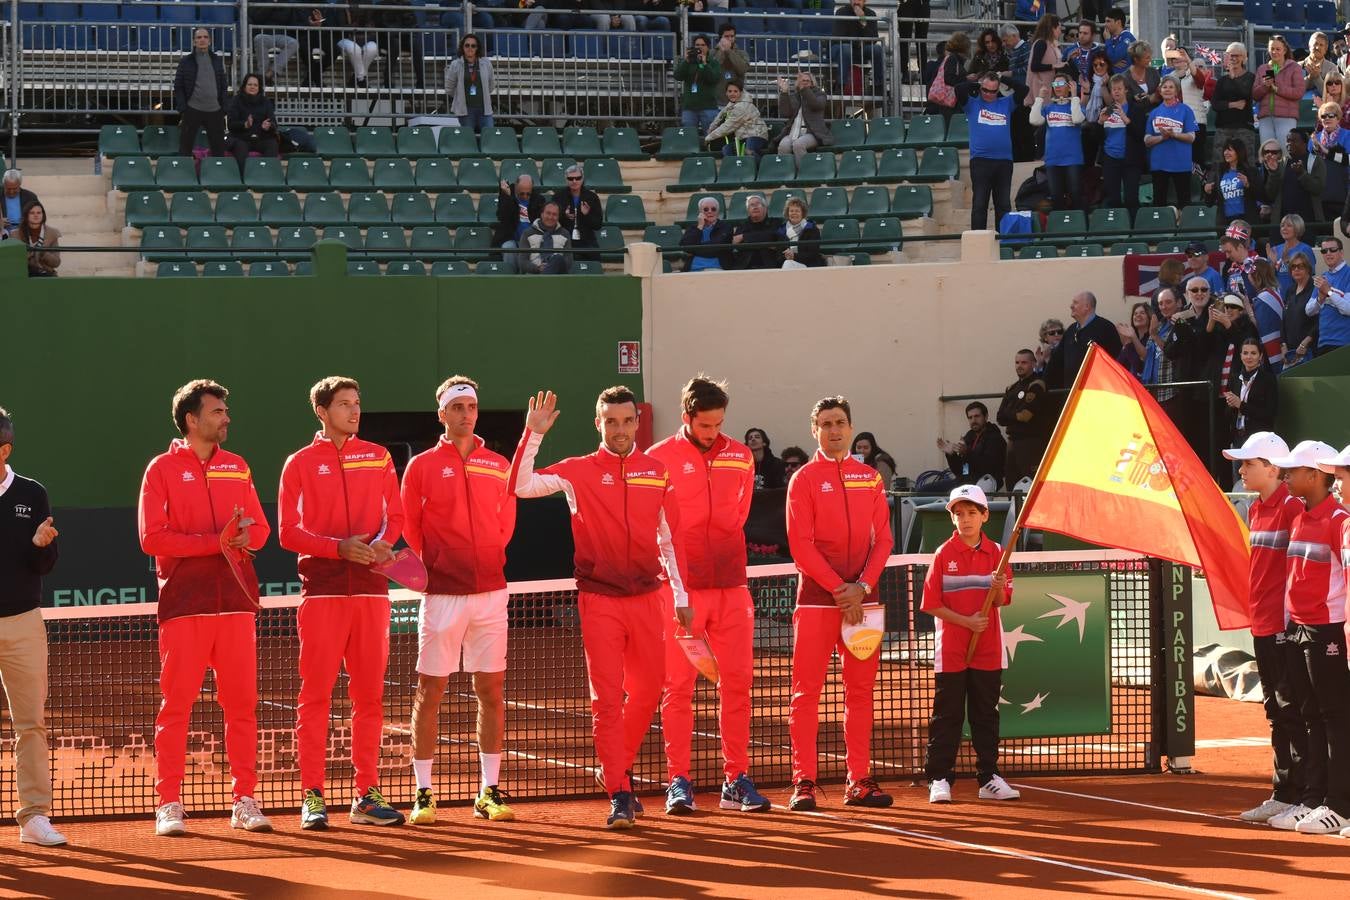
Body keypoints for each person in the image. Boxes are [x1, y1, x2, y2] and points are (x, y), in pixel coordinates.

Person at [510, 387, 689, 829]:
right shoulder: (577, 472)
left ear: (637, 423)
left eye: (627, 421)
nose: (621, 429)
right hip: (599, 601)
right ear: (598, 424)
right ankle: (620, 792)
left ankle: (616, 766)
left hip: (649, 598)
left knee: (649, 692)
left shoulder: (656, 472)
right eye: (612, 421)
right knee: (607, 700)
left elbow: (669, 540)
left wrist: (681, 597)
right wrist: (531, 436)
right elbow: (521, 486)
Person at [137, 380, 271, 837]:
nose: (226, 417)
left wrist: (242, 536)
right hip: (185, 606)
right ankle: (169, 803)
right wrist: (211, 543)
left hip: (234, 605)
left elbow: (262, 531)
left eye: (225, 410)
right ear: (192, 419)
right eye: (217, 411)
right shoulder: (160, 469)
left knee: (242, 709)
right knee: (176, 708)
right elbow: (151, 538)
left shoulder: (237, 466)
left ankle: (245, 801)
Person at [279, 376, 406, 830]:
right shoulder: (299, 463)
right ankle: (313, 795)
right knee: (315, 697)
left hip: (372, 592)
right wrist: (337, 547)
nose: (354, 411)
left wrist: (385, 543)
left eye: (357, 403)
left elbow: (398, 516)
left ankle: (366, 796)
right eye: (344, 404)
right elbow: (287, 532)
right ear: (322, 411)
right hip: (324, 591)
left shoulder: (379, 457)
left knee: (369, 698)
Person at [649, 376, 771, 816]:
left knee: (738, 685)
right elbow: (650, 525)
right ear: (687, 418)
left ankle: (736, 780)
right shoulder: (657, 458)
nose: (713, 432)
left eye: (719, 423)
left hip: (732, 587)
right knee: (677, 689)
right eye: (704, 425)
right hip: (680, 593)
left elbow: (739, 514)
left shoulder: (740, 456)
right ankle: (678, 780)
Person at [403, 376, 517, 826]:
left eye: (471, 406)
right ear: (442, 414)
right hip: (442, 594)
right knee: (430, 691)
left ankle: (488, 792)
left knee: (490, 691)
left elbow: (506, 522)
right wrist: (437, 564)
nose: (466, 414)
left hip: (491, 592)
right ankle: (424, 794)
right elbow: (410, 525)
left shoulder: (497, 463)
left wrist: (488, 556)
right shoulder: (422, 467)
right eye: (457, 407)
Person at [786, 396, 894, 812]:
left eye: (841, 423)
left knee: (861, 692)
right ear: (815, 429)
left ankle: (860, 781)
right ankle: (804, 782)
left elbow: (883, 538)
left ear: (851, 428)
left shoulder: (870, 476)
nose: (835, 430)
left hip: (864, 603)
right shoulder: (805, 479)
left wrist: (862, 587)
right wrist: (839, 588)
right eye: (827, 423)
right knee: (806, 693)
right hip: (817, 602)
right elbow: (801, 545)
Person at [1264, 440, 1350, 835]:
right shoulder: (1299, 517)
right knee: (1311, 715)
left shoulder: (1338, 520)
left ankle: (1338, 804)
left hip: (1327, 630)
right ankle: (1314, 799)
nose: (1286, 477)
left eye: (1293, 471)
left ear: (1314, 475)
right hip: (1299, 628)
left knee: (1333, 717)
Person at [1221, 433, 1307, 825]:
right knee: (1275, 710)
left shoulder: (1294, 509)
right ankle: (1282, 791)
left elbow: (1297, 575)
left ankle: (1301, 795)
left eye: (1248, 463)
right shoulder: (1255, 510)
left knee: (1292, 710)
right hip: (1261, 623)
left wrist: (1289, 623)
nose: (1241, 470)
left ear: (1273, 469)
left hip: (1285, 627)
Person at [922, 484, 1018, 805]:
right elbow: (931, 604)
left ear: (985, 516)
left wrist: (1000, 586)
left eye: (971, 513)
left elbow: (1004, 599)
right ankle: (939, 777)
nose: (965, 519)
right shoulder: (942, 554)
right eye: (959, 514)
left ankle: (988, 776)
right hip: (951, 651)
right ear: (952, 519)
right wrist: (966, 622)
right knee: (947, 715)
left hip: (988, 651)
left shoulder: (998, 555)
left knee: (985, 716)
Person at [0, 408, 66, 847]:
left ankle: (34, 818)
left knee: (31, 724)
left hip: (22, 621)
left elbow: (42, 564)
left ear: (3, 449)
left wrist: (42, 547)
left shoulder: (31, 493)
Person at [956, 71, 1028, 230]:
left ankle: (1003, 242)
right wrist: (977, 82)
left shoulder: (1006, 103)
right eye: (985, 90)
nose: (988, 94)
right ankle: (979, 242)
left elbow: (1023, 89)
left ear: (998, 90)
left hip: (1004, 161)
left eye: (993, 91)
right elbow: (959, 89)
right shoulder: (972, 104)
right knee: (980, 203)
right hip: (981, 160)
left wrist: (1002, 78)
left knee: (1003, 204)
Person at [1045, 291, 1124, 389]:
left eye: (1075, 303)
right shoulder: (1070, 330)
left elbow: (1116, 361)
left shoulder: (1106, 328)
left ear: (1087, 306)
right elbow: (1056, 362)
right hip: (1071, 393)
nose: (1071, 306)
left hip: (1096, 392)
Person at [996, 349, 1051, 488]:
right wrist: (1015, 414)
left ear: (1033, 364)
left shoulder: (1036, 385)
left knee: (1031, 484)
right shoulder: (1011, 388)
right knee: (1011, 485)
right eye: (1017, 362)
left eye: (1024, 362)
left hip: (1030, 443)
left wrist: (1009, 413)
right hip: (1013, 443)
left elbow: (1026, 415)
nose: (1019, 365)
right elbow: (1000, 418)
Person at [1030, 77, 1085, 211]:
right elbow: (1034, 120)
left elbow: (1078, 119)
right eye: (1055, 84)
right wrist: (1039, 98)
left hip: (1073, 159)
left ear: (1069, 86)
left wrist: (1074, 97)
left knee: (1076, 193)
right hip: (1053, 159)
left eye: (1061, 83)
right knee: (1056, 196)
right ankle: (1061, 226)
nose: (1057, 86)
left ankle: (1079, 226)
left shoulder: (1077, 106)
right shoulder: (1048, 108)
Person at [173, 28, 228, 159]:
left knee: (218, 150)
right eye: (198, 37)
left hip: (215, 111)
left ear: (209, 41)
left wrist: (224, 108)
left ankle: (216, 177)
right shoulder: (186, 61)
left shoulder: (217, 60)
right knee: (185, 148)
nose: (202, 40)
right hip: (192, 109)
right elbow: (178, 86)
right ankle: (184, 176)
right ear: (194, 41)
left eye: (205, 37)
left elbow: (223, 85)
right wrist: (183, 109)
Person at [1144, 76, 1197, 209]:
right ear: (1160, 91)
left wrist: (1174, 134)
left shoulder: (1186, 110)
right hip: (1159, 163)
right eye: (1164, 87)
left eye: (1171, 87)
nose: (1167, 90)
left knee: (1184, 203)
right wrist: (1162, 138)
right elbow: (1147, 140)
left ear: (1177, 91)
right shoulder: (1154, 113)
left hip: (1181, 163)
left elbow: (1191, 137)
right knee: (1159, 203)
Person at [1263, 130, 1325, 239]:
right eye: (1288, 141)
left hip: (1308, 223)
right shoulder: (1281, 163)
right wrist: (1274, 173)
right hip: (1283, 224)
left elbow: (1318, 188)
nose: (1289, 144)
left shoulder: (1316, 161)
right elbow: (1270, 194)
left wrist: (1302, 174)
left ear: (1305, 143)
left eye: (1294, 141)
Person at [1099, 74, 1145, 216]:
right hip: (1110, 159)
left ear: (1126, 90)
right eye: (1113, 89)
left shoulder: (1135, 109)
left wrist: (1125, 118)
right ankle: (1118, 230)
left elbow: (1140, 134)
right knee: (1113, 199)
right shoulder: (1106, 109)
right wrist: (1100, 123)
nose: (1116, 92)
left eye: (1119, 88)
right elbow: (1098, 138)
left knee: (1131, 198)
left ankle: (1134, 231)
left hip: (1131, 160)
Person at [1223, 339, 1278, 449]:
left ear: (1260, 356)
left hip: (1258, 440)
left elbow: (1269, 414)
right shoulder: (1235, 378)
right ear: (1240, 355)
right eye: (1245, 353)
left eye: (1253, 353)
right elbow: (1228, 413)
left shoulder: (1268, 379)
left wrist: (1240, 405)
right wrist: (1230, 405)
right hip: (1237, 438)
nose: (1249, 357)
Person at [937, 401, 1006, 488]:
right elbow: (960, 471)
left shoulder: (995, 438)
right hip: (965, 481)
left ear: (986, 416)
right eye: (970, 417)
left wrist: (967, 452)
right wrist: (951, 455)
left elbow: (988, 468)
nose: (973, 420)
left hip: (983, 483)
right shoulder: (969, 436)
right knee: (923, 490)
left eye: (977, 416)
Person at [769, 72, 834, 163]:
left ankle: (803, 172)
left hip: (813, 133)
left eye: (808, 81)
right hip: (793, 132)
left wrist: (804, 90)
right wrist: (784, 92)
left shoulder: (820, 95)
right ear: (798, 82)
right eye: (803, 80)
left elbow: (816, 105)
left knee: (798, 144)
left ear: (812, 83)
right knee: (783, 146)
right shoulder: (795, 96)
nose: (805, 82)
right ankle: (786, 173)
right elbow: (785, 113)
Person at [1253, 36, 1304, 149]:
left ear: (1284, 50)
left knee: (1286, 152)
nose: (1274, 52)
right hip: (1266, 118)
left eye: (1278, 49)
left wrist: (1277, 88)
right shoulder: (1262, 68)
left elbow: (1298, 92)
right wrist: (1265, 86)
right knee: (1267, 152)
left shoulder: (1294, 67)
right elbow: (1255, 95)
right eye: (1272, 49)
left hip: (1287, 117)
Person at [830, 0, 886, 100]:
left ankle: (878, 86)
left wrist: (863, 20)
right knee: (846, 48)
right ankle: (841, 86)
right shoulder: (841, 12)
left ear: (864, 1)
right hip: (840, 48)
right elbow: (839, 36)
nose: (856, 2)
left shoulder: (870, 14)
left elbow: (873, 38)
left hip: (860, 49)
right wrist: (858, 42)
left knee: (877, 49)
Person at [1212, 42, 1257, 166]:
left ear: (1244, 58)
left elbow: (1246, 95)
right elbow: (1215, 104)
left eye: (1237, 55)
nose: (1233, 58)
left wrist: (1233, 78)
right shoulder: (1221, 81)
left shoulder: (1251, 78)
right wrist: (1233, 104)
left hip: (1244, 128)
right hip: (1223, 128)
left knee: (1247, 164)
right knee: (1219, 164)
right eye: (1231, 55)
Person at [224, 74, 278, 177]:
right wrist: (245, 124)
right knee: (241, 147)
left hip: (261, 137)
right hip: (241, 138)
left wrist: (268, 126)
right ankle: (244, 178)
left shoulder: (266, 102)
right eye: (249, 84)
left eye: (255, 85)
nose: (252, 87)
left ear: (259, 87)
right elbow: (231, 124)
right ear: (244, 86)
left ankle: (266, 176)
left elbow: (274, 123)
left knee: (272, 144)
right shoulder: (236, 101)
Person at [1307, 236, 1350, 356]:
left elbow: (1348, 309)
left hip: (1344, 342)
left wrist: (1329, 292)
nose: (1328, 253)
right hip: (1323, 342)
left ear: (1341, 252)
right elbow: (1308, 310)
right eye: (1324, 251)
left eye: (1332, 250)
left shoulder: (1348, 274)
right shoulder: (1323, 277)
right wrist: (1320, 298)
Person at [494, 174, 546, 272]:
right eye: (522, 193)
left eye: (528, 194)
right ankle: (511, 278)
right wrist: (508, 197)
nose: (525, 196)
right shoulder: (507, 194)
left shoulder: (538, 199)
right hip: (511, 238)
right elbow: (502, 217)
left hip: (531, 240)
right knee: (508, 248)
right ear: (516, 187)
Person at [1205, 138, 1260, 230]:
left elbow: (1260, 195)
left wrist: (1248, 185)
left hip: (1246, 221)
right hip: (1225, 223)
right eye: (1225, 150)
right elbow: (1209, 203)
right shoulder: (1218, 172)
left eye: (1230, 150)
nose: (1226, 153)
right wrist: (1208, 192)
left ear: (1239, 152)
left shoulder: (1251, 171)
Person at [551, 165, 602, 261]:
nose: (574, 181)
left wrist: (587, 215)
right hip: (565, 240)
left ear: (582, 179)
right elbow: (551, 222)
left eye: (578, 178)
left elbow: (598, 225)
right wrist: (563, 216)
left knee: (594, 259)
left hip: (587, 240)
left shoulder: (592, 197)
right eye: (571, 178)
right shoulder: (558, 197)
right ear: (566, 180)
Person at [704, 82, 768, 159]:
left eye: (735, 91)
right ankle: (735, 169)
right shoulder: (732, 103)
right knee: (727, 149)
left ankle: (762, 168)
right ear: (726, 93)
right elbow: (721, 115)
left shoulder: (742, 106)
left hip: (757, 136)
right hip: (743, 138)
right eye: (730, 91)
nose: (732, 94)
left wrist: (709, 137)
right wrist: (712, 127)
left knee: (749, 151)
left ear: (741, 93)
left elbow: (728, 127)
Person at [445, 35, 495, 132]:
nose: (470, 48)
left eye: (473, 46)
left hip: (485, 110)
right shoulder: (455, 64)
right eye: (467, 45)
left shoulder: (486, 63)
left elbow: (491, 85)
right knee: (468, 140)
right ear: (462, 47)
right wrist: (459, 97)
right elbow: (449, 88)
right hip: (466, 111)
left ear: (477, 48)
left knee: (489, 138)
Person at [1310, 102, 1350, 219]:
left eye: (1331, 115)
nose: (1327, 118)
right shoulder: (1314, 139)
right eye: (1323, 116)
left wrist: (1326, 151)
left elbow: (1348, 160)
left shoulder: (1347, 135)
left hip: (1343, 190)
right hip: (1320, 193)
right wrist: (1316, 150)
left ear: (1338, 118)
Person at [1024, 15, 1065, 129]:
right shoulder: (1041, 43)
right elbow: (1035, 66)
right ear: (1052, 28)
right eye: (1059, 28)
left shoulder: (1051, 44)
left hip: (1049, 90)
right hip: (1040, 91)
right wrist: (1053, 66)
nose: (1060, 32)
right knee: (1040, 127)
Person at [675, 34, 722, 135]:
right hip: (689, 107)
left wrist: (704, 64)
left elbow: (714, 78)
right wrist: (686, 61)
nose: (699, 47)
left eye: (702, 45)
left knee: (711, 136)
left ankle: (711, 151)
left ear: (708, 47)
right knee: (688, 137)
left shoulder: (713, 63)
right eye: (697, 45)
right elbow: (678, 76)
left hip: (708, 107)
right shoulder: (688, 62)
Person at [1247, 257, 1287, 371]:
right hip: (1279, 347)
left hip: (1273, 354)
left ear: (1256, 276)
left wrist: (1248, 310)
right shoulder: (1274, 291)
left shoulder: (1263, 298)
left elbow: (1260, 328)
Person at [1282, 251, 1319, 367]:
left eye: (1300, 266)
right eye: (1293, 267)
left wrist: (1307, 341)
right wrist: (1283, 345)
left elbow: (1320, 319)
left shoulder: (1315, 288)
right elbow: (1284, 321)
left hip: (1310, 350)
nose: (1296, 269)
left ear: (1308, 269)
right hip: (1291, 352)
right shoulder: (1290, 291)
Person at [251, 1, 301, 85]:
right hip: (264, 34)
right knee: (259, 38)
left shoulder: (286, 3)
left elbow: (285, 19)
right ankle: (262, 75)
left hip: (280, 35)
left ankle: (269, 74)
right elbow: (258, 18)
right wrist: (271, 4)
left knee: (294, 43)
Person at [1266, 214, 1314, 299]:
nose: (1284, 228)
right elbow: (1269, 278)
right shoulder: (1275, 250)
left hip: (1298, 297)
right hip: (1278, 298)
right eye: (1282, 226)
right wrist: (1273, 264)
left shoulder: (1305, 249)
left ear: (1297, 228)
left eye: (1289, 226)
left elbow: (1309, 276)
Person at [680, 197, 734, 272]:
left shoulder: (725, 227)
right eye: (706, 209)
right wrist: (700, 226)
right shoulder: (693, 228)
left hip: (717, 268)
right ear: (700, 212)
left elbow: (717, 246)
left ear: (717, 212)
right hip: (692, 269)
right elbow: (685, 246)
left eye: (713, 209)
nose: (709, 211)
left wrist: (694, 248)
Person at [520, 202, 572, 275]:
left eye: (554, 214)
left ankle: (544, 280)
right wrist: (537, 268)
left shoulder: (565, 233)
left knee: (558, 258)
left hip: (558, 277)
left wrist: (552, 266)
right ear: (542, 214)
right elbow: (522, 261)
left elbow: (568, 261)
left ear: (558, 217)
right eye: (548, 213)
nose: (550, 217)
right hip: (534, 276)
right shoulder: (528, 233)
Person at [335, 0, 378, 88]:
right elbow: (340, 26)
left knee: (372, 48)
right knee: (354, 48)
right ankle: (361, 80)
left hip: (364, 38)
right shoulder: (342, 2)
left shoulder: (368, 3)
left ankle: (356, 78)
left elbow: (371, 27)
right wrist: (353, 27)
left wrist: (363, 31)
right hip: (345, 38)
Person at [731, 195, 780, 270]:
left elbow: (771, 236)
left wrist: (744, 237)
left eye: (758, 204)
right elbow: (736, 243)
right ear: (748, 210)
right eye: (752, 205)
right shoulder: (742, 225)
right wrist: (766, 244)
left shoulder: (775, 223)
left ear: (765, 208)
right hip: (745, 267)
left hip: (770, 266)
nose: (755, 207)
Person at [777, 198, 825, 268]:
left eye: (797, 211)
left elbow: (813, 254)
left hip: (809, 265)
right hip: (788, 263)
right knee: (788, 263)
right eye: (791, 211)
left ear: (803, 213)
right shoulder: (781, 230)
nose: (794, 213)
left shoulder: (811, 229)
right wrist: (786, 256)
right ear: (787, 213)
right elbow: (779, 255)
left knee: (788, 264)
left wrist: (794, 256)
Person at [16, 202, 59, 278]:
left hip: (47, 275)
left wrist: (44, 253)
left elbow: (56, 263)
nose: (36, 215)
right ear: (26, 215)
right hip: (23, 276)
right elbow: (13, 261)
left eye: (39, 213)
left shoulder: (52, 233)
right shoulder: (15, 235)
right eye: (32, 213)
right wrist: (30, 253)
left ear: (43, 215)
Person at [711, 24, 748, 106]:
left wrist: (729, 52)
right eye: (726, 36)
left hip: (736, 102)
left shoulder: (741, 53)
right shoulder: (712, 53)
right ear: (721, 37)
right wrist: (721, 51)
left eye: (732, 36)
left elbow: (742, 69)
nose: (730, 39)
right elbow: (712, 70)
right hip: (716, 101)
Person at [1115, 302, 1152, 378]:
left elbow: (1144, 361)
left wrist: (1133, 337)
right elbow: (1118, 366)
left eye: (1142, 313)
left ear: (1149, 317)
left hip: (1146, 385)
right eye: (1135, 314)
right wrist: (1125, 344)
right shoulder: (1130, 340)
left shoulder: (1152, 337)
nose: (1138, 315)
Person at [0, 170, 37, 238]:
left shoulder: (30, 197)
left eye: (15, 188)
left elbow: (39, 216)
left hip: (24, 232)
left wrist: (26, 221)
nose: (11, 191)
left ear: (19, 184)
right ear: (4, 184)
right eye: (8, 188)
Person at [1064, 19, 1100, 85]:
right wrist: (1068, 60)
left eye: (1085, 33)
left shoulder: (1099, 52)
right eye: (1080, 33)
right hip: (1073, 91)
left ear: (1093, 35)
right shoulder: (1069, 50)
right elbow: (1061, 73)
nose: (1082, 36)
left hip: (1092, 91)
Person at [1101, 8, 1135, 75]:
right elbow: (1103, 60)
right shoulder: (1112, 39)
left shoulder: (1127, 37)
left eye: (1108, 21)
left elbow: (1114, 57)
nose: (1105, 24)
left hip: (1126, 81)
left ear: (1118, 22)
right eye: (1105, 21)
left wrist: (1107, 40)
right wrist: (1111, 63)